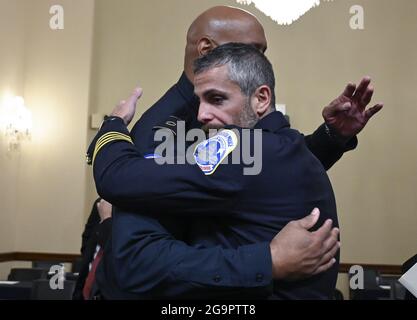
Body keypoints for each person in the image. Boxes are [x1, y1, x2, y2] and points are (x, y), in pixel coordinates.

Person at [86, 6, 382, 299]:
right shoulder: (167, 128)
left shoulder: (245, 141)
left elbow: (256, 171)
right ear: (205, 49)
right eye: (251, 49)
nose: (259, 61)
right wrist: (268, 260)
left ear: (262, 99)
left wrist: (112, 127)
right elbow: (136, 258)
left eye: (262, 52)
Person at [73, 198, 112, 300]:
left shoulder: (131, 204)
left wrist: (106, 219)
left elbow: (115, 247)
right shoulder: (100, 202)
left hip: (108, 288)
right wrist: (87, 256)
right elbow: (87, 234)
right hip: (86, 282)